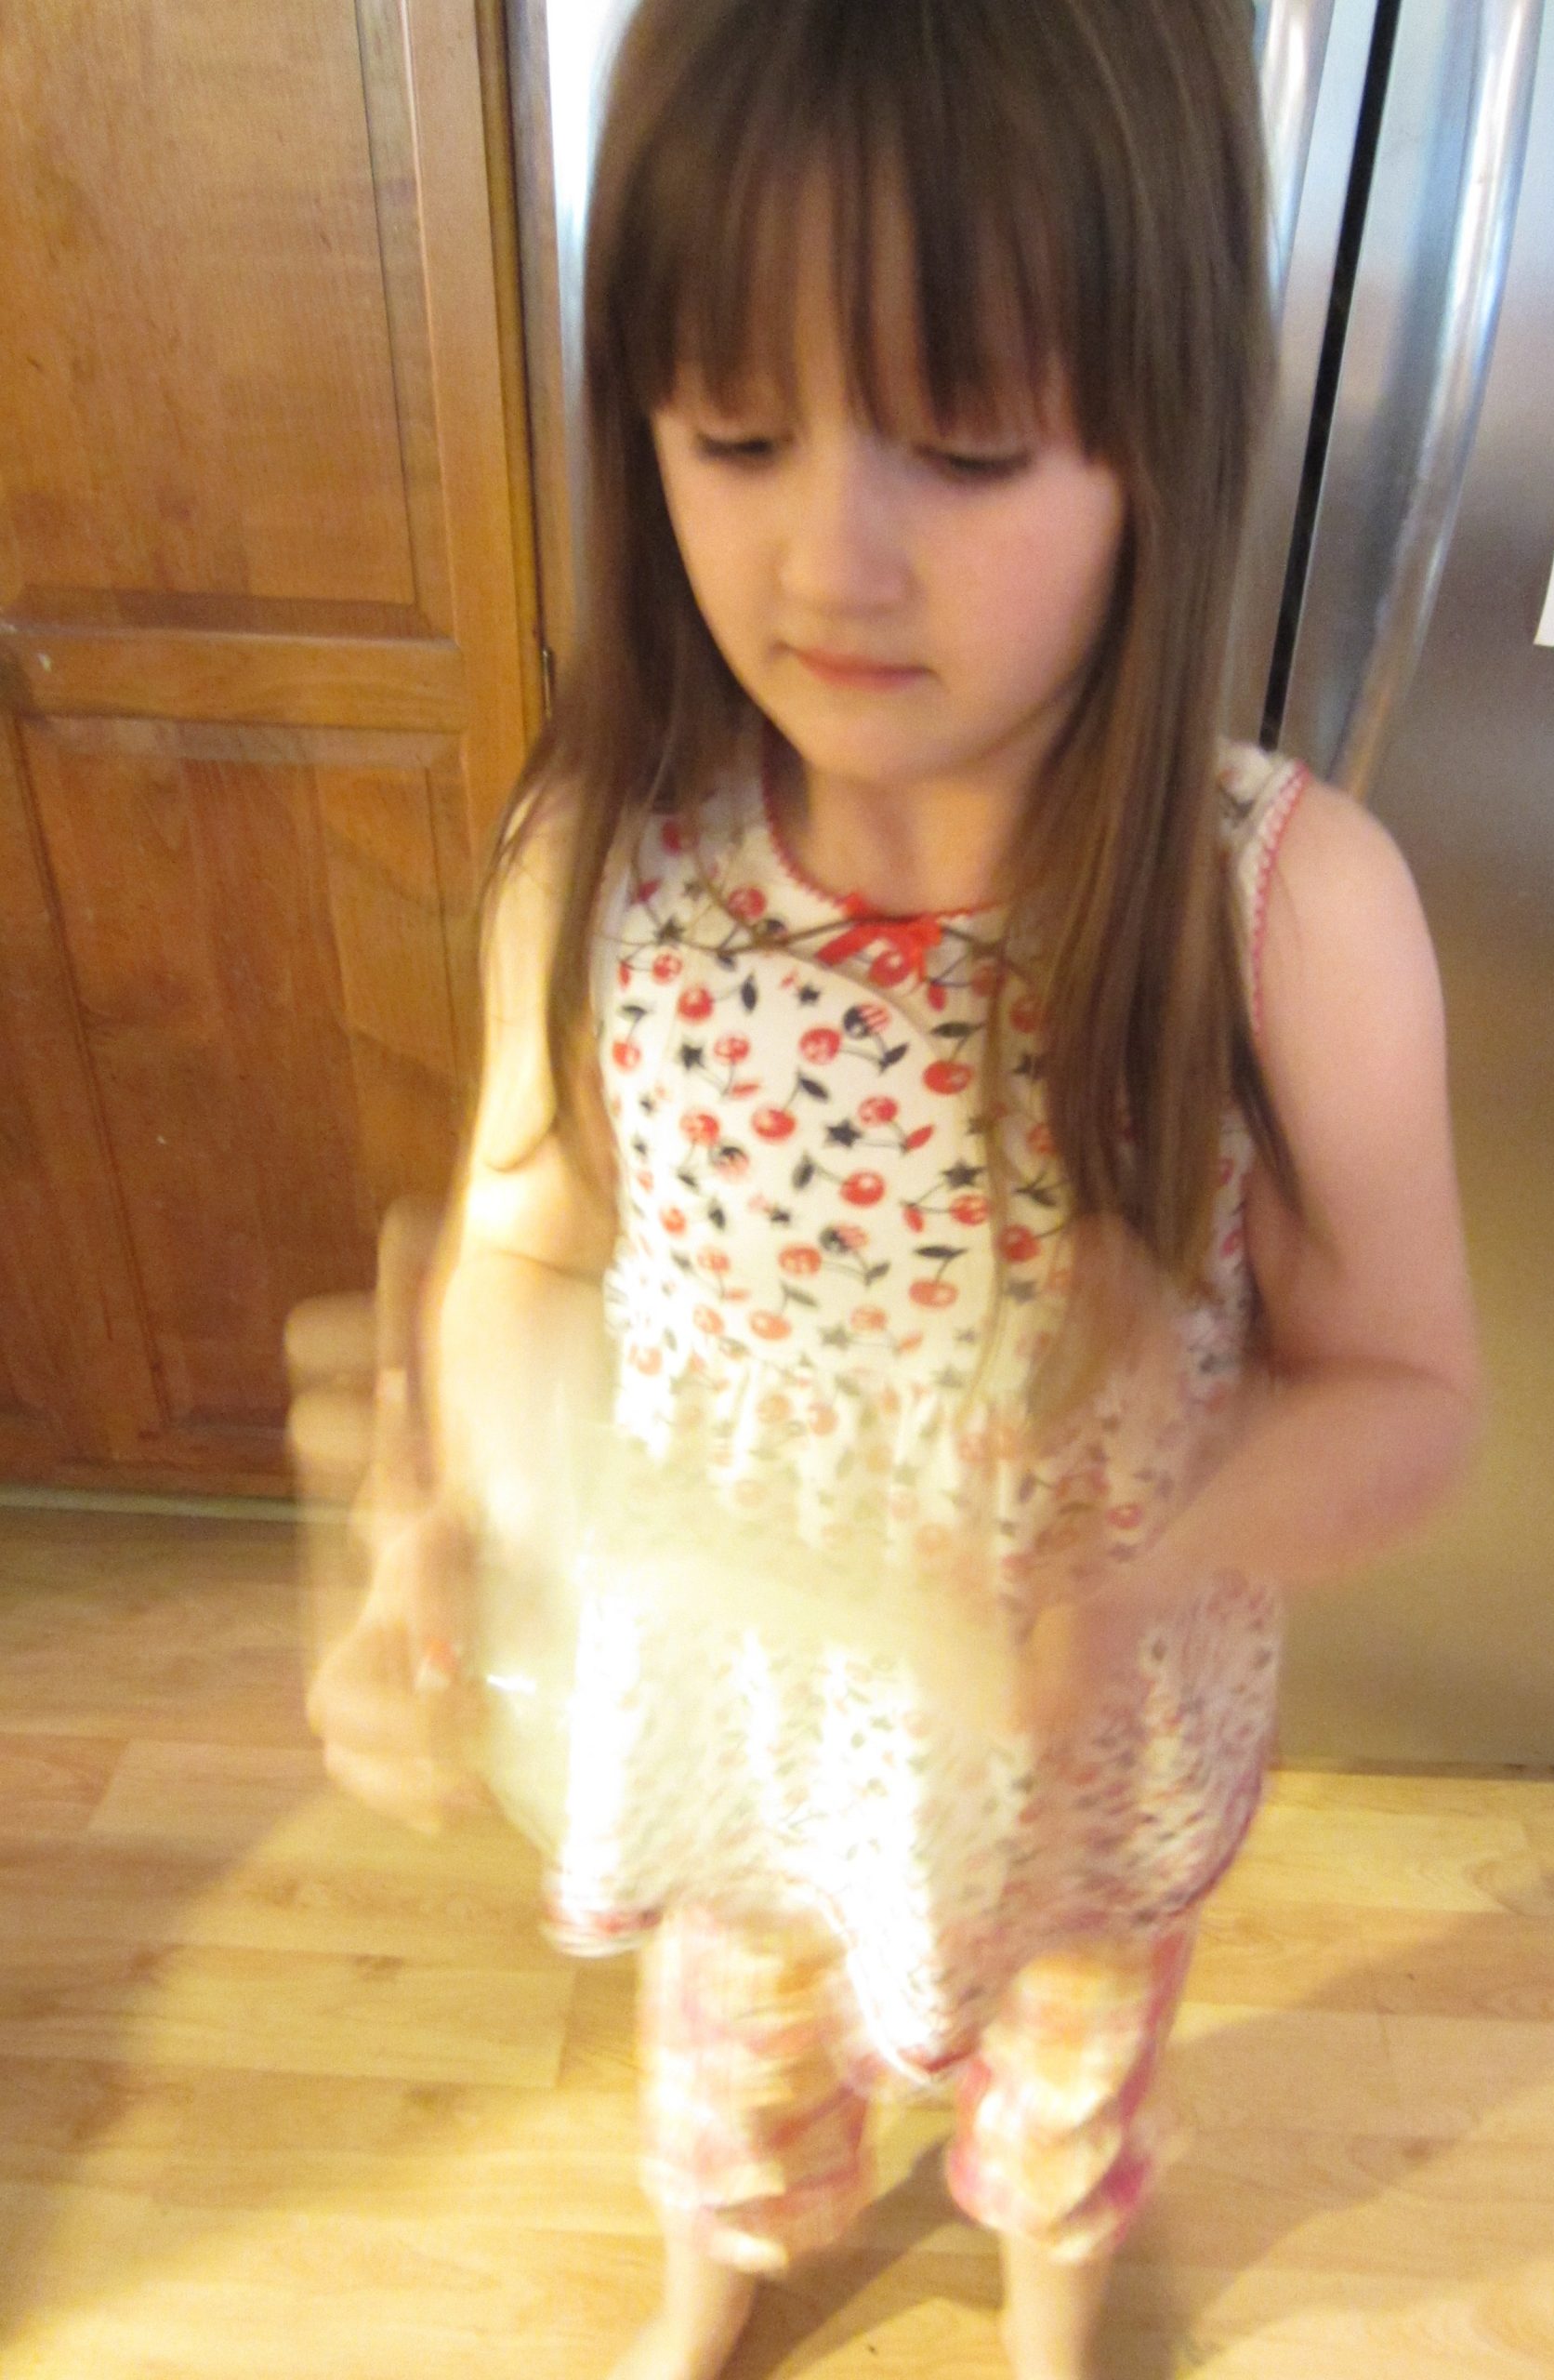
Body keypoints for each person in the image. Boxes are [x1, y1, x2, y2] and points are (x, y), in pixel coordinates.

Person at [295, 3, 1481, 2374]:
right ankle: (718, 2284)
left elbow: (1408, 1394)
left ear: (1156, 437)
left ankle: (1050, 2309)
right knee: (728, 2059)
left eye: (965, 443)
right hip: (730, 1714)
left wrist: (1149, 1563)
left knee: (1067, 2078)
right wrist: (465, 1497)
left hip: (1075, 1735)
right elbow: (529, 1244)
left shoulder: (1283, 914)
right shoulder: (605, 859)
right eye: (737, 433)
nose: (828, 554)